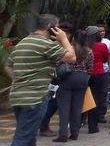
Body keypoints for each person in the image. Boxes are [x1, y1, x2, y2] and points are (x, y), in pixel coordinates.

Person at [6, 15, 75, 146]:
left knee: (29, 135)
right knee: (23, 138)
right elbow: (71, 57)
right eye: (57, 27)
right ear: (50, 27)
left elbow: (8, 66)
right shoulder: (45, 44)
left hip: (17, 96)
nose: (59, 30)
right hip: (35, 97)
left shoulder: (23, 42)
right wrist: (64, 39)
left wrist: (20, 80)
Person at [54, 29, 93, 142]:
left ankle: (63, 134)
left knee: (64, 107)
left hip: (67, 77)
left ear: (73, 38)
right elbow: (90, 69)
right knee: (77, 107)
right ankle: (75, 132)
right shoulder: (89, 51)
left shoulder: (69, 49)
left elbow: (58, 62)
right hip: (82, 78)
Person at [38, 22, 74, 138]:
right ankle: (43, 126)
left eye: (67, 33)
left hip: (62, 78)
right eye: (64, 33)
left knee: (54, 103)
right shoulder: (52, 45)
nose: (65, 35)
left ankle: (43, 125)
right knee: (51, 103)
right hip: (52, 79)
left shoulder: (67, 45)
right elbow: (70, 58)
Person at [86, 25, 109, 134]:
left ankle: (79, 122)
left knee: (83, 99)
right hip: (98, 73)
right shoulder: (102, 45)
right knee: (96, 100)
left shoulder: (84, 46)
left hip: (85, 74)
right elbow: (105, 59)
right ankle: (93, 126)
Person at [96, 24, 110, 123]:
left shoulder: (107, 42)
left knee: (103, 93)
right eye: (100, 31)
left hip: (104, 70)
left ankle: (101, 114)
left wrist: (109, 66)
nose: (102, 33)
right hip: (94, 71)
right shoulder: (91, 42)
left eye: (103, 31)